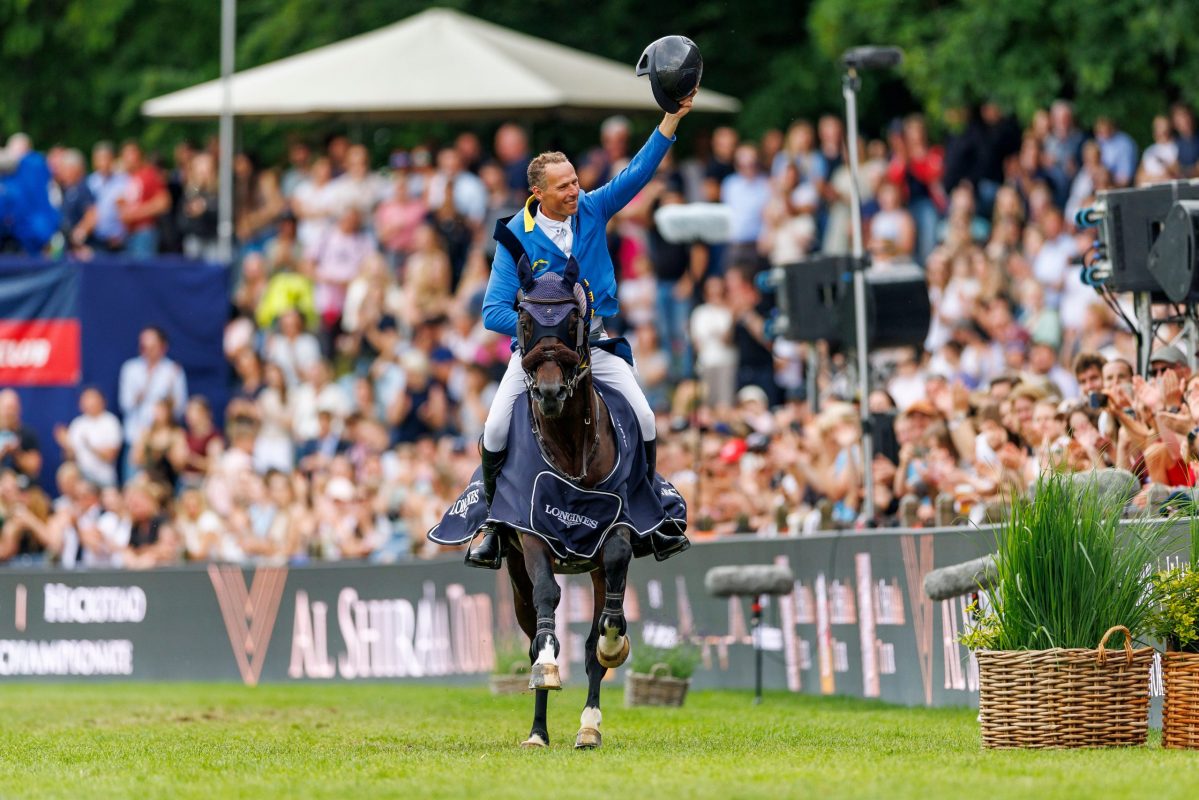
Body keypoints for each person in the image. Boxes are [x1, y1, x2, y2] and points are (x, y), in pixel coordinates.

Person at [470, 92, 698, 569]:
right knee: (493, 428)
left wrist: (671, 118)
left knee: (647, 417)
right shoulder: (516, 236)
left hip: (593, 344)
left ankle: (650, 510)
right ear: (539, 195)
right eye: (564, 187)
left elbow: (638, 172)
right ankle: (493, 522)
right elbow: (493, 311)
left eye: (575, 181)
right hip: (538, 355)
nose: (575, 191)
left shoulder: (593, 208)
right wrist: (544, 329)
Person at [118, 326, 188, 482]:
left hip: (164, 441)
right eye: (143, 346)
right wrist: (147, 383)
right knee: (133, 484)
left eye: (152, 346)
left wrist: (167, 402)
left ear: (163, 347)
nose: (147, 351)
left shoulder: (173, 370)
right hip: (136, 438)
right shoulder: (131, 369)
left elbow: (179, 408)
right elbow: (125, 404)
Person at [54, 387, 122, 488]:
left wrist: (89, 445)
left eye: (91, 399)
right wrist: (66, 445)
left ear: (101, 401)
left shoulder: (110, 422)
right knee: (66, 471)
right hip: (81, 480)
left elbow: (110, 456)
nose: (88, 403)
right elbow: (70, 457)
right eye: (85, 399)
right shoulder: (77, 424)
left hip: (104, 479)